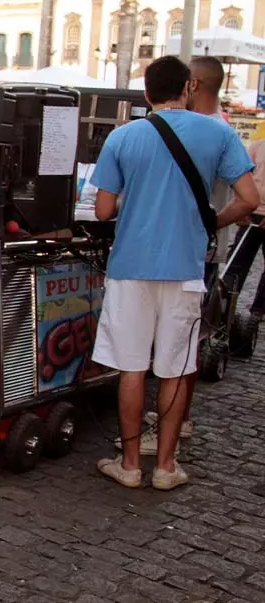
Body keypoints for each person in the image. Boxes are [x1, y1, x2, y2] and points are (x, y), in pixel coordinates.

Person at [93, 56, 257, 491]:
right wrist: (211, 222)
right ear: (187, 87)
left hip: (130, 268)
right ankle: (166, 466)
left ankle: (129, 463)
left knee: (131, 369)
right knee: (174, 367)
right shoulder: (219, 133)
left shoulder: (123, 137)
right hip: (184, 268)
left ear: (146, 93)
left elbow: (104, 209)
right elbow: (248, 199)